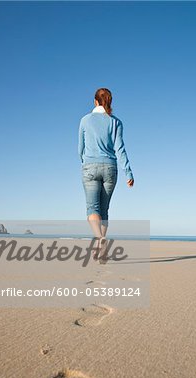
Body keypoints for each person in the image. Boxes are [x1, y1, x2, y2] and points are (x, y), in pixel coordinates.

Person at [78, 87, 134, 262]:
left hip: (90, 167)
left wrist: (85, 162)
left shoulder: (85, 120)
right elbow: (120, 149)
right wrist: (128, 172)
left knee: (92, 209)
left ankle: (101, 241)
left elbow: (80, 148)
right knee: (104, 211)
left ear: (95, 101)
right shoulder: (116, 122)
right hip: (111, 168)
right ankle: (101, 250)